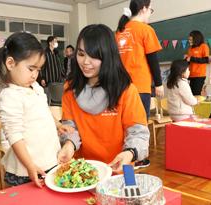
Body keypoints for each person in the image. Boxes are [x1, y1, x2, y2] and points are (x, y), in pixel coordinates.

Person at [57, 24, 150, 173]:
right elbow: (69, 127)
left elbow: (138, 133)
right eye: (81, 54)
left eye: (93, 56)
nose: (85, 62)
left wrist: (130, 153)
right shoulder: (70, 89)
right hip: (84, 171)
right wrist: (69, 144)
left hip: (119, 169)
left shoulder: (125, 90)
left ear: (107, 56)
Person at [0, 32, 73, 188]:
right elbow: (15, 136)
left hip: (48, 160)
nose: (35, 75)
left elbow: (44, 111)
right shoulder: (9, 95)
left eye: (38, 70)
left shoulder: (35, 87)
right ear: (10, 63)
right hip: (27, 169)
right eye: (31, 69)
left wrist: (57, 124)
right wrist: (29, 165)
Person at [115, 0, 164, 120]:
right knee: (140, 124)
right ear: (144, 9)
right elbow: (153, 59)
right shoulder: (146, 29)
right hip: (140, 86)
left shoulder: (119, 31)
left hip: (120, 86)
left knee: (124, 123)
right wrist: (159, 84)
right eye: (150, 10)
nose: (150, 13)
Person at [185, 30, 210, 95]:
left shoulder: (204, 46)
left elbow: (206, 60)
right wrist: (185, 60)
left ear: (196, 39)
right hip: (190, 75)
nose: (189, 41)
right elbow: (189, 61)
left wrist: (192, 58)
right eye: (189, 40)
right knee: (190, 95)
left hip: (199, 75)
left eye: (191, 40)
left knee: (196, 95)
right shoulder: (190, 48)